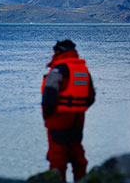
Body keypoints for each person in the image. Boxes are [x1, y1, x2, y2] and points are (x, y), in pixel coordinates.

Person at [41, 39, 95, 182]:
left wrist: (48, 116)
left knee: (57, 158)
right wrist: (79, 109)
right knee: (77, 155)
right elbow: (91, 96)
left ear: (58, 51)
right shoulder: (83, 69)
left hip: (58, 118)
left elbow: (49, 97)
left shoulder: (58, 69)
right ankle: (82, 180)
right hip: (78, 119)